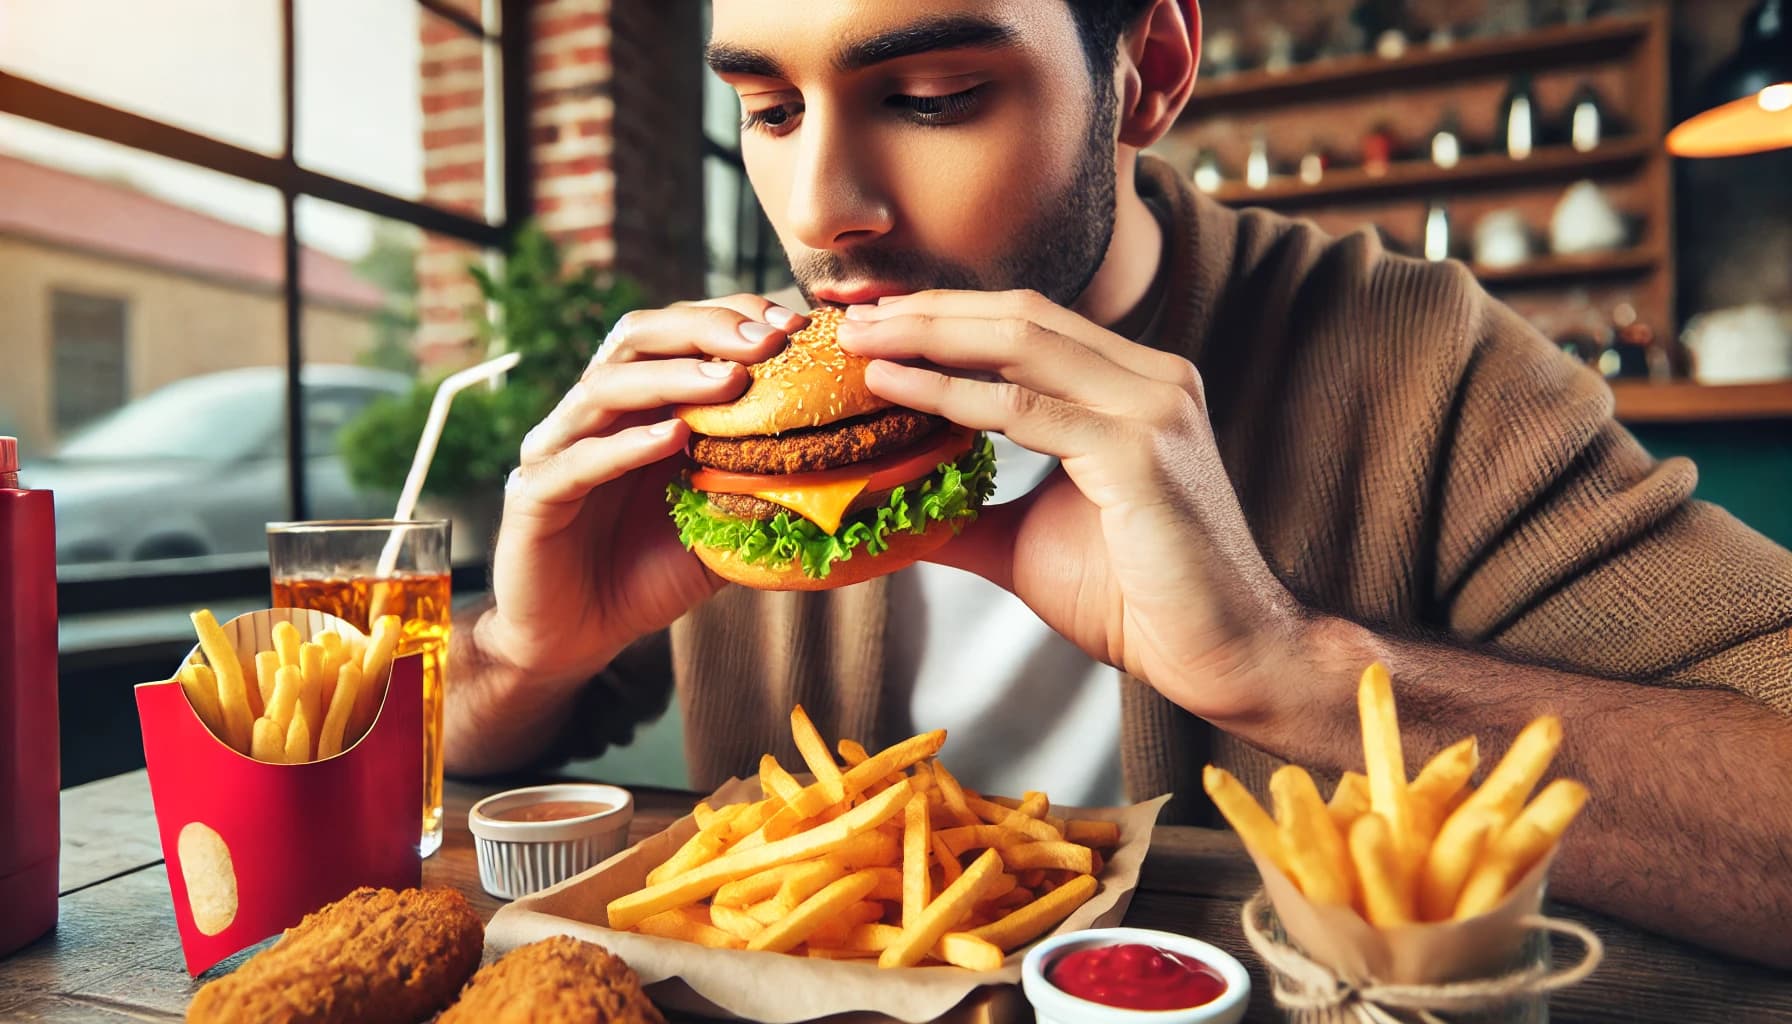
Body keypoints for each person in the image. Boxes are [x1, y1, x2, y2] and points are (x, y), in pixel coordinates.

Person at [445, 0, 1792, 966]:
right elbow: (468, 749)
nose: (818, 207)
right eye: (770, 110)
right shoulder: (733, 419)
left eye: (933, 98)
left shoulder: (1419, 360)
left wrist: (1295, 669)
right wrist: (522, 658)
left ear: (1146, 69)